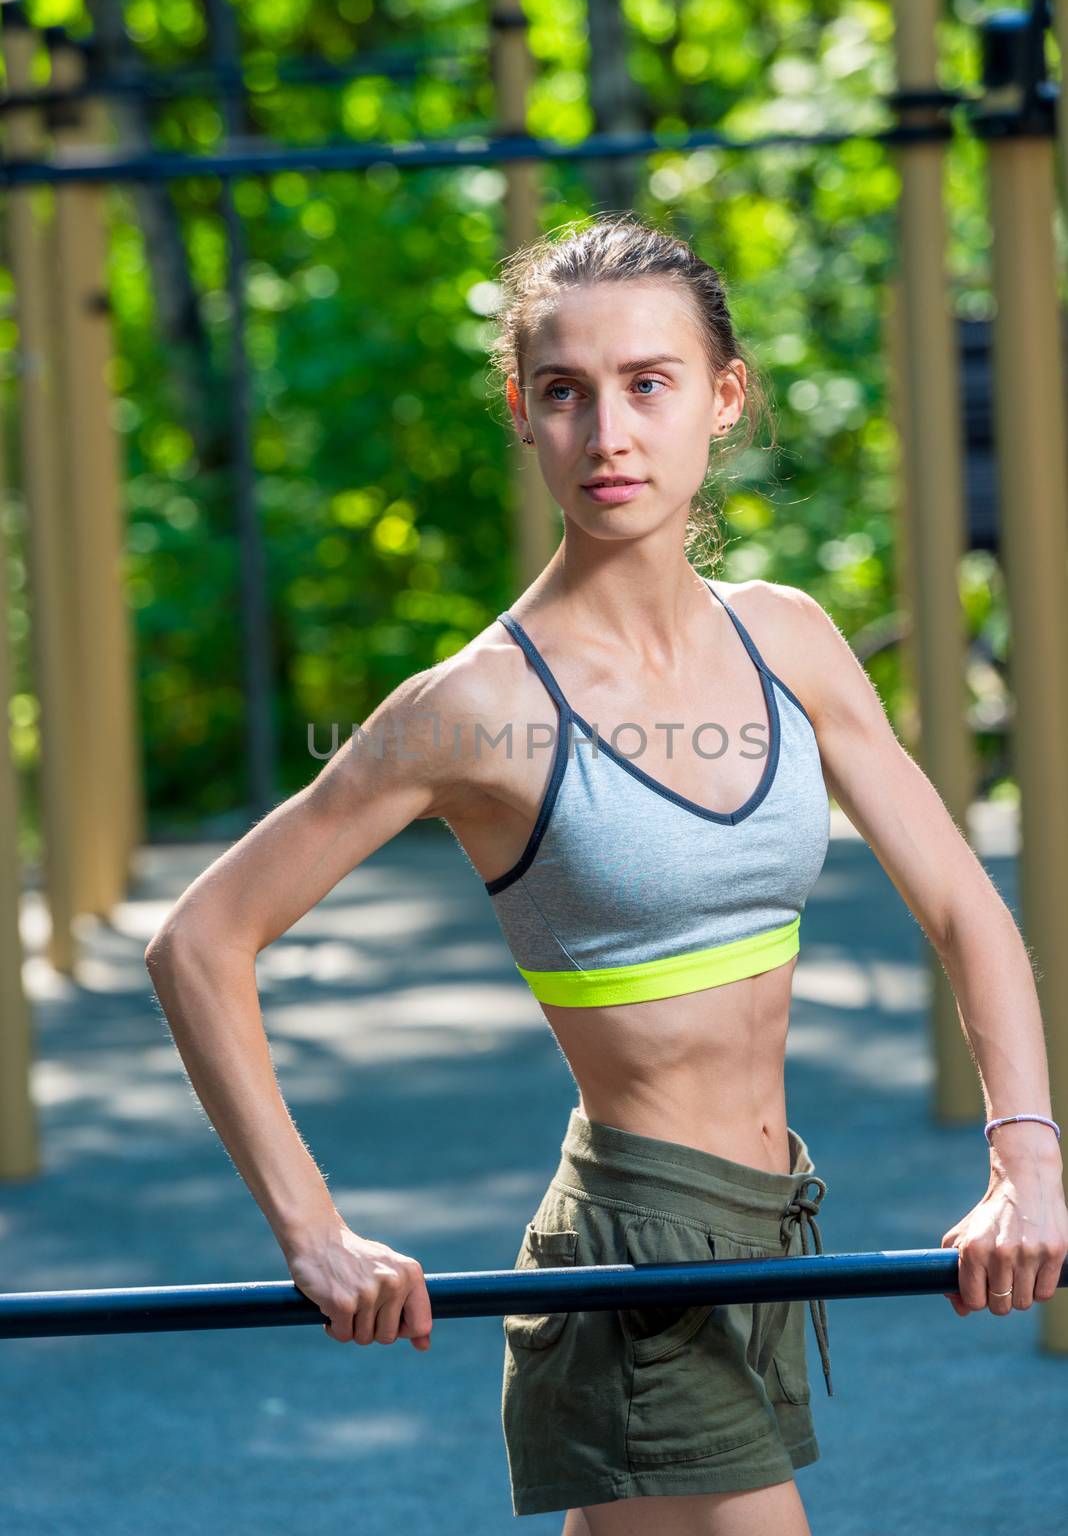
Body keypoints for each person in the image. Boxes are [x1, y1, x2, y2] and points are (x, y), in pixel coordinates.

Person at [145, 212, 1068, 1536]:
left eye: (650, 383)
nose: (609, 432)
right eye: (567, 392)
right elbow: (198, 941)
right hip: (635, 1262)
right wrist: (314, 1232)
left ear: (723, 400)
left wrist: (1024, 1157)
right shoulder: (476, 707)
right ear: (524, 412)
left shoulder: (790, 642)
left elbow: (965, 908)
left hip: (762, 1238)